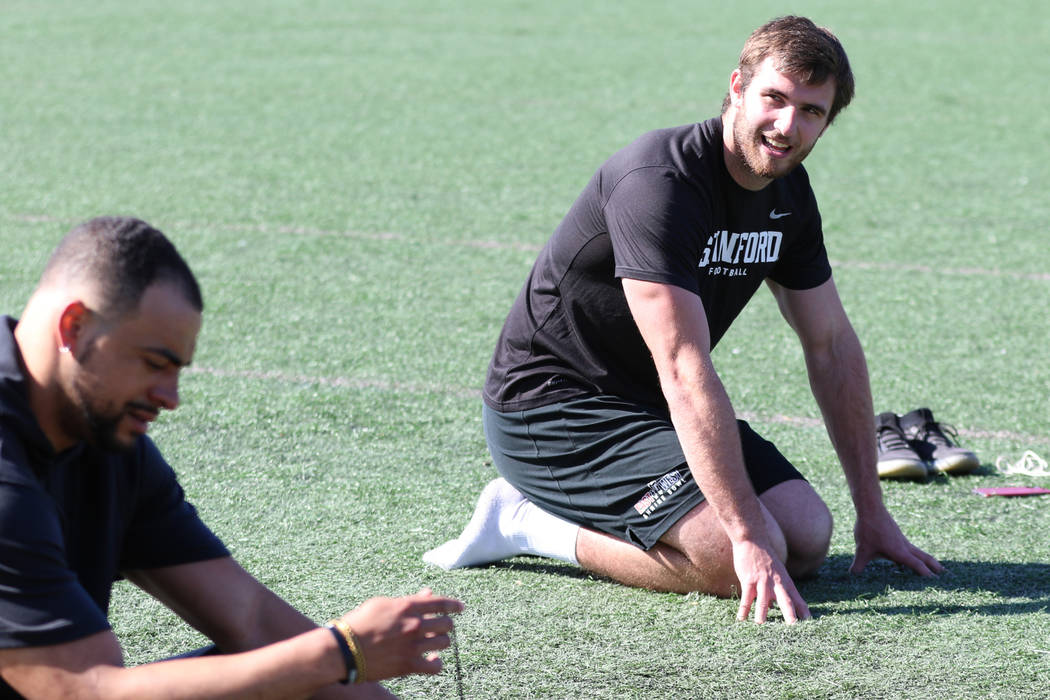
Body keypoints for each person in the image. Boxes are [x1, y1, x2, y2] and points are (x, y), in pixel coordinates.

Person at [425, 15, 943, 624]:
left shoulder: (789, 195)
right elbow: (683, 365)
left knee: (807, 536)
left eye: (811, 111)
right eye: (774, 98)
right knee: (736, 558)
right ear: (737, 87)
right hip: (553, 409)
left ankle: (698, 524)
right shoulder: (659, 182)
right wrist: (746, 534)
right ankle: (527, 523)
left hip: (648, 410)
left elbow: (830, 347)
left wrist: (872, 511)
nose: (786, 126)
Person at [0, 216, 463, 698]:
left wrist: (338, 661)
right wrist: (340, 654)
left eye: (177, 370)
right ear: (74, 327)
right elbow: (86, 691)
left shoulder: (108, 439)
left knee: (290, 670)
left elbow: (253, 620)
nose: (171, 396)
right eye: (155, 364)